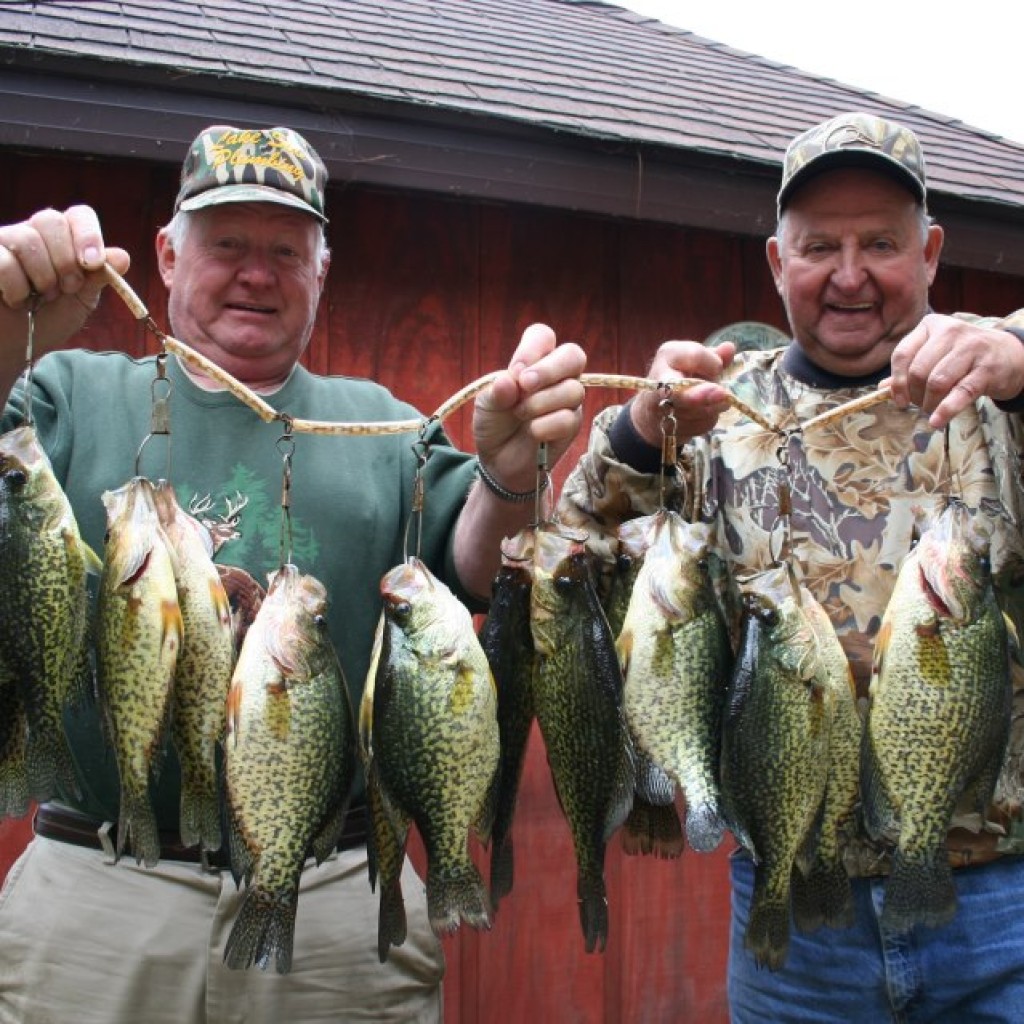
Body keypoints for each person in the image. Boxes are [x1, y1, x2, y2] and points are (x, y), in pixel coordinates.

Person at [0, 125, 586, 1023]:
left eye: (285, 250)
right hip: (99, 885)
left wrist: (510, 476)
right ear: (165, 255)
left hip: (334, 898)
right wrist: (8, 326)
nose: (256, 273)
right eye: (226, 244)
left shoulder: (386, 427)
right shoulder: (63, 394)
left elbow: (470, 563)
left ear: (322, 270)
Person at [558, 110, 1024, 1022]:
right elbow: (568, 546)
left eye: (881, 244)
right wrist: (639, 432)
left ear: (930, 253)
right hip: (792, 910)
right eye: (819, 247)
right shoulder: (720, 414)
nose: (850, 275)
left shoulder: (999, 391)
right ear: (778, 264)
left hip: (1003, 904)